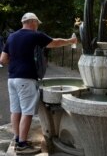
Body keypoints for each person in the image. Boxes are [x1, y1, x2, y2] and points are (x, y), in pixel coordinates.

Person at [0, 12, 77, 155]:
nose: (37, 26)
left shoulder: (11, 37)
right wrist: (71, 41)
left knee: (15, 110)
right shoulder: (35, 35)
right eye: (37, 23)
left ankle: (18, 139)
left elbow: (3, 60)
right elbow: (55, 42)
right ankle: (22, 144)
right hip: (26, 79)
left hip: (12, 79)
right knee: (27, 112)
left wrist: (17, 60)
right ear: (33, 22)